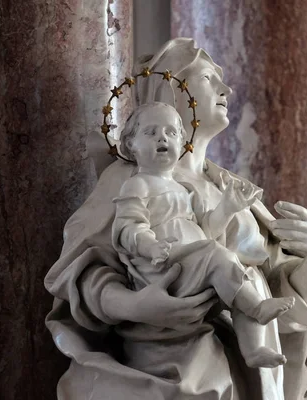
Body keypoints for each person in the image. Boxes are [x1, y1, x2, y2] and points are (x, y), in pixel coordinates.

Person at [45, 38, 307, 400]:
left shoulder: (232, 192)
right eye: (207, 77)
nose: (226, 88)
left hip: (246, 376)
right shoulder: (130, 180)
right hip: (169, 362)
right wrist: (135, 305)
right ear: (172, 91)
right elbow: (84, 274)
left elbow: (290, 312)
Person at [113, 101, 293, 368]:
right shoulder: (136, 185)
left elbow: (206, 230)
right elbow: (128, 228)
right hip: (163, 268)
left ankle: (254, 349)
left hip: (194, 262)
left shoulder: (182, 188)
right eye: (151, 133)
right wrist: (150, 246)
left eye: (171, 133)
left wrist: (227, 209)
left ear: (183, 142)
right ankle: (257, 308)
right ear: (131, 145)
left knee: (242, 275)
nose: (162, 138)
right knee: (222, 260)